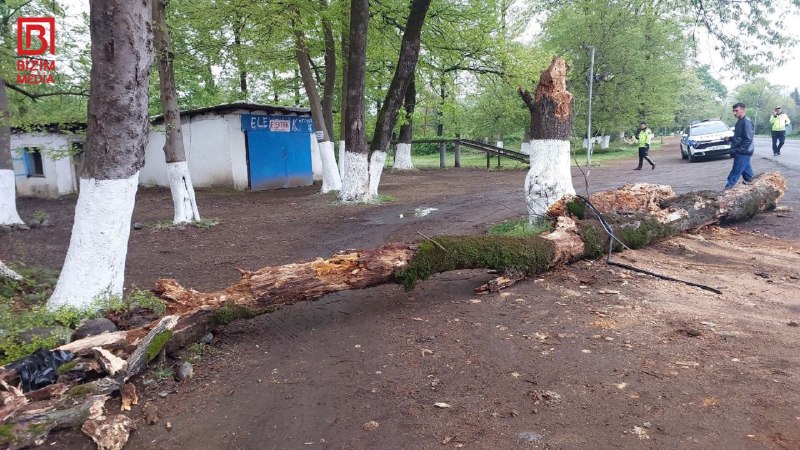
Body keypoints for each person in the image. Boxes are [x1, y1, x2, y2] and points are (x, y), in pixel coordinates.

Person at [725, 102, 755, 189]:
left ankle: (726, 190)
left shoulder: (746, 122)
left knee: (735, 172)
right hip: (742, 152)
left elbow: (748, 139)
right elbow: (739, 137)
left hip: (743, 152)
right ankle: (754, 189)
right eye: (733, 111)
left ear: (743, 110)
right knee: (748, 175)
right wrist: (729, 139)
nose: (734, 113)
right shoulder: (740, 121)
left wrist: (739, 150)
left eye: (736, 110)